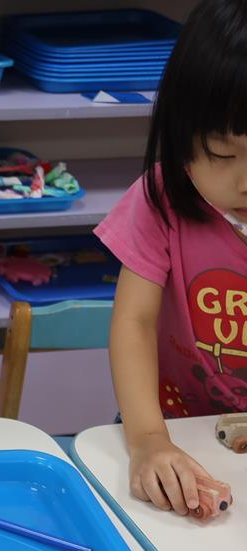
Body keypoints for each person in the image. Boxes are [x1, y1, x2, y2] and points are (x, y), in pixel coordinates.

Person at [95, 0, 247, 515]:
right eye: (222, 154)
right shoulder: (160, 199)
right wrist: (147, 439)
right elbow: (134, 322)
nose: (245, 181)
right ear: (181, 135)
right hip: (173, 429)